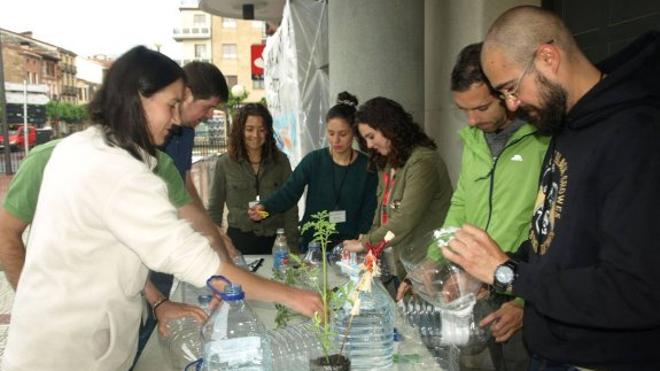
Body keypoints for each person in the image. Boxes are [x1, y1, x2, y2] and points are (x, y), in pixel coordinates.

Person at [1, 46, 321, 371]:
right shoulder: (116, 169)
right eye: (171, 105)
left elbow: (125, 245)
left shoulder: (84, 146)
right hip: (69, 353)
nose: (177, 118)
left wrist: (159, 303)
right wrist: (293, 297)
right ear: (137, 97)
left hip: (67, 343)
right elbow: (188, 255)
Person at [442, 6, 660, 370]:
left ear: (547, 57)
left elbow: (637, 289)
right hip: (551, 351)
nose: (511, 104)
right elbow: (554, 243)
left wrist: (507, 273)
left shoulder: (636, 134)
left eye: (511, 88)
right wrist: (494, 269)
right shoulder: (565, 127)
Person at [402, 42, 549, 371]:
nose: (470, 120)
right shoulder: (474, 141)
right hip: (479, 284)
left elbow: (556, 228)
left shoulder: (543, 140)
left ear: (505, 92)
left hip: (526, 286)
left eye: (480, 108)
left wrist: (526, 303)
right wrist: (435, 259)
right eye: (464, 109)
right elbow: (462, 204)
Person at [343, 97, 453, 293]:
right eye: (365, 139)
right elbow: (381, 214)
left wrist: (365, 243)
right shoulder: (389, 163)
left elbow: (404, 219)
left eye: (371, 136)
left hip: (428, 267)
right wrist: (370, 244)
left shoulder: (423, 163)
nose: (368, 145)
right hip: (402, 266)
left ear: (389, 128)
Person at [248, 92, 378, 250]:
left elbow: (369, 209)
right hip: (313, 243)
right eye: (331, 133)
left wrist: (361, 240)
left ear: (354, 133)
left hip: (349, 246)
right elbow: (289, 193)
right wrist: (264, 209)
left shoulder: (367, 166)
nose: (336, 140)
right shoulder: (314, 161)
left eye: (343, 134)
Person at [208, 103, 298, 254]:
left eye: (261, 130)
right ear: (240, 131)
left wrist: (293, 246)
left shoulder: (281, 162)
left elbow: (290, 207)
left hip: (276, 242)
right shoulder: (225, 163)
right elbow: (215, 208)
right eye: (249, 129)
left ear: (268, 131)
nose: (255, 135)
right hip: (239, 241)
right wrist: (214, 246)